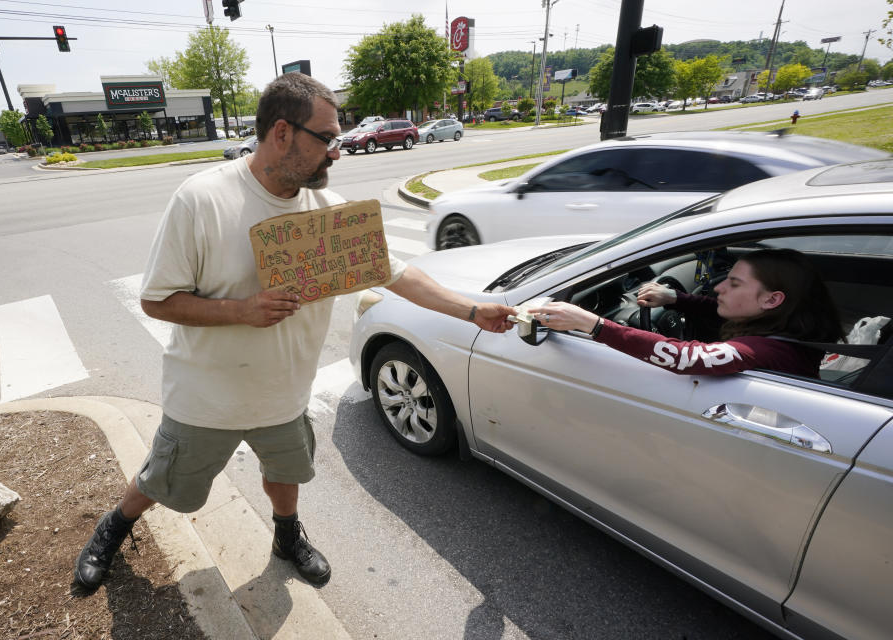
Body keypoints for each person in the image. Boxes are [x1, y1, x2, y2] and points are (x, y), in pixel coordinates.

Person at [73, 73, 515, 592]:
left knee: (287, 474)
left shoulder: (329, 214)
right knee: (162, 478)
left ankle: (287, 536)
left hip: (284, 394)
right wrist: (242, 311)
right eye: (326, 138)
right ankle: (114, 526)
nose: (337, 152)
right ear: (282, 132)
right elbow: (156, 299)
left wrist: (472, 310)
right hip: (205, 395)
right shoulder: (202, 199)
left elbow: (396, 274)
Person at [527, 248, 842, 377]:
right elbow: (718, 311)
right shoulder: (792, 323)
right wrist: (675, 298)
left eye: (733, 284)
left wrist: (593, 324)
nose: (719, 289)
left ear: (772, 300)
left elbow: (685, 358)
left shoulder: (766, 348)